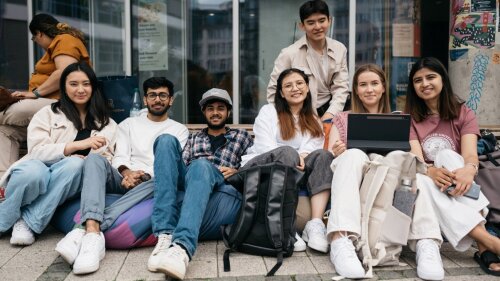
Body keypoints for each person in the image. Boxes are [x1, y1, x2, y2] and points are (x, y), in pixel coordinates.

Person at [55, 77, 189, 275]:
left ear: (171, 100)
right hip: (123, 177)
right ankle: (91, 229)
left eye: (163, 95)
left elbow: (166, 166)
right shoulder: (128, 124)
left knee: (162, 180)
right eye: (152, 95)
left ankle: (84, 229)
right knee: (94, 160)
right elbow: (120, 156)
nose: (157, 100)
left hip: (151, 181)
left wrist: (141, 176)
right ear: (145, 100)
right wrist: (127, 173)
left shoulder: (179, 130)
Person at [326, 64, 445, 280]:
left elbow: (416, 158)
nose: (369, 89)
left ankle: (426, 241)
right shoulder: (343, 118)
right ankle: (340, 238)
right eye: (363, 85)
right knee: (353, 155)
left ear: (383, 88)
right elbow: (330, 155)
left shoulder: (400, 119)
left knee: (412, 168)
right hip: (356, 174)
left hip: (390, 176)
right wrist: (337, 150)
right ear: (356, 90)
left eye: (374, 83)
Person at [0, 61, 115, 246]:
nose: (80, 89)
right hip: (39, 168)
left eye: (86, 84)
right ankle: (5, 221)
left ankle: (28, 222)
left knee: (75, 164)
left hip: (71, 178)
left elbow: (105, 161)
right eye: (73, 84)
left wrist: (84, 160)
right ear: (64, 87)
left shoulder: (106, 124)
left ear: (94, 87)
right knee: (33, 171)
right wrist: (75, 146)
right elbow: (36, 152)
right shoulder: (47, 113)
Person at [406, 57, 500, 276]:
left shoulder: (463, 113)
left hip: (459, 181)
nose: (425, 84)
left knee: (448, 155)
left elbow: (468, 154)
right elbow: (417, 159)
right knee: (421, 177)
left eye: (431, 77)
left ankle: (486, 242)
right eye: (418, 80)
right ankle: (486, 241)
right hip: (430, 183)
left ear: (443, 80)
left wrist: (469, 169)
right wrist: (431, 171)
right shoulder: (409, 118)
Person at [146, 88, 253, 280]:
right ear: (204, 112)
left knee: (202, 164)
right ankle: (164, 234)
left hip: (222, 183)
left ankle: (182, 248)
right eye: (210, 108)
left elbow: (253, 164)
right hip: (194, 178)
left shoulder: (241, 136)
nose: (215, 112)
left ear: (228, 112)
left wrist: (238, 172)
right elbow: (182, 166)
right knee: (165, 140)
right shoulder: (194, 137)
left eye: (221, 108)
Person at [243, 68, 333, 253]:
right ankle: (287, 227)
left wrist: (298, 155)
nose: (295, 88)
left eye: (299, 83)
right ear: (281, 93)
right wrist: (294, 154)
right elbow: (264, 146)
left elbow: (313, 150)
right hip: (260, 168)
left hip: (295, 169)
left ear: (307, 88)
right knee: (287, 153)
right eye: (288, 85)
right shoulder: (269, 111)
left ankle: (315, 225)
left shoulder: (312, 118)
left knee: (324, 156)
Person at [0, 13, 90, 177]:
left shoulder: (65, 40)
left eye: (35, 39)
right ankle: (4, 179)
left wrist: (35, 93)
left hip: (62, 105)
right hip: (47, 105)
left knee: (14, 111)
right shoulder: (58, 44)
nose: (38, 44)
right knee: (4, 130)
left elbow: (64, 72)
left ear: (39, 33)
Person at [267, 0, 349, 121]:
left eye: (322, 21)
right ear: (302, 26)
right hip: (299, 115)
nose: (317, 27)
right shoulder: (289, 53)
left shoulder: (339, 49)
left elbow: (341, 87)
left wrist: (329, 115)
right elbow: (273, 91)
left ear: (329, 20)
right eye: (311, 23)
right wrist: (287, 119)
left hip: (331, 111)